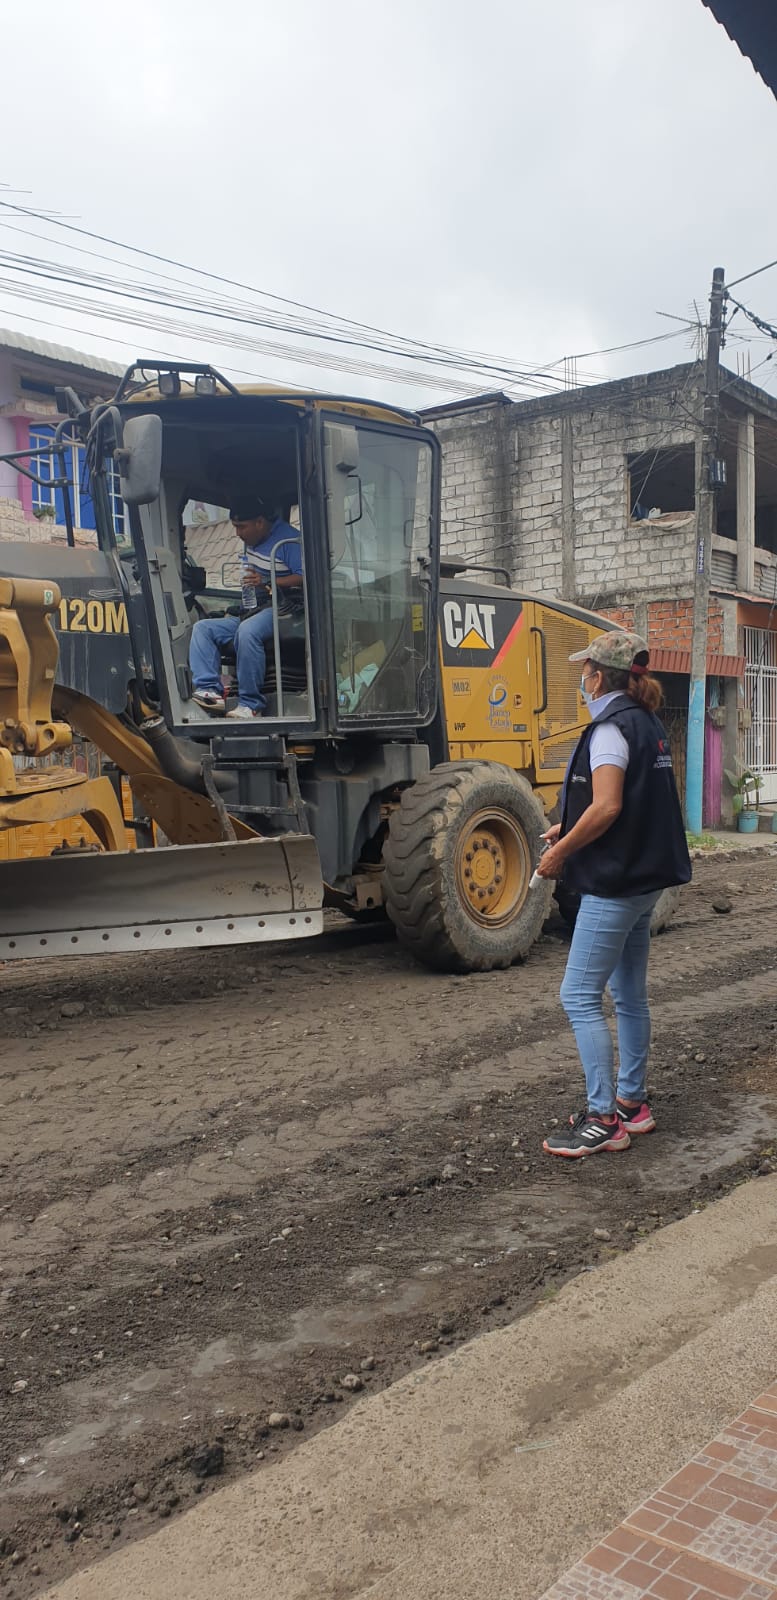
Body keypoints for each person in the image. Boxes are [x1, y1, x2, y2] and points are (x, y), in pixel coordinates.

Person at [536, 631, 691, 1158]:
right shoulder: (647, 723)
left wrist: (560, 852)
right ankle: (631, 1103)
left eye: (585, 671)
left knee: (578, 996)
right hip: (645, 881)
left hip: (616, 884)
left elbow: (607, 807)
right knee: (628, 995)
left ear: (599, 677)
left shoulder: (608, 729)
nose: (582, 679)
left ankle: (603, 1119)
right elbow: (633, 800)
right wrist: (567, 828)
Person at [189, 497, 303, 719]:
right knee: (203, 628)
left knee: (248, 631)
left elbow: (304, 576)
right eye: (234, 527)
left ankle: (251, 704)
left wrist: (267, 581)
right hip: (255, 609)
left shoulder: (288, 540)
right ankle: (210, 691)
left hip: (286, 608)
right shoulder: (252, 542)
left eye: (241, 527)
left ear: (259, 522)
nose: (238, 533)